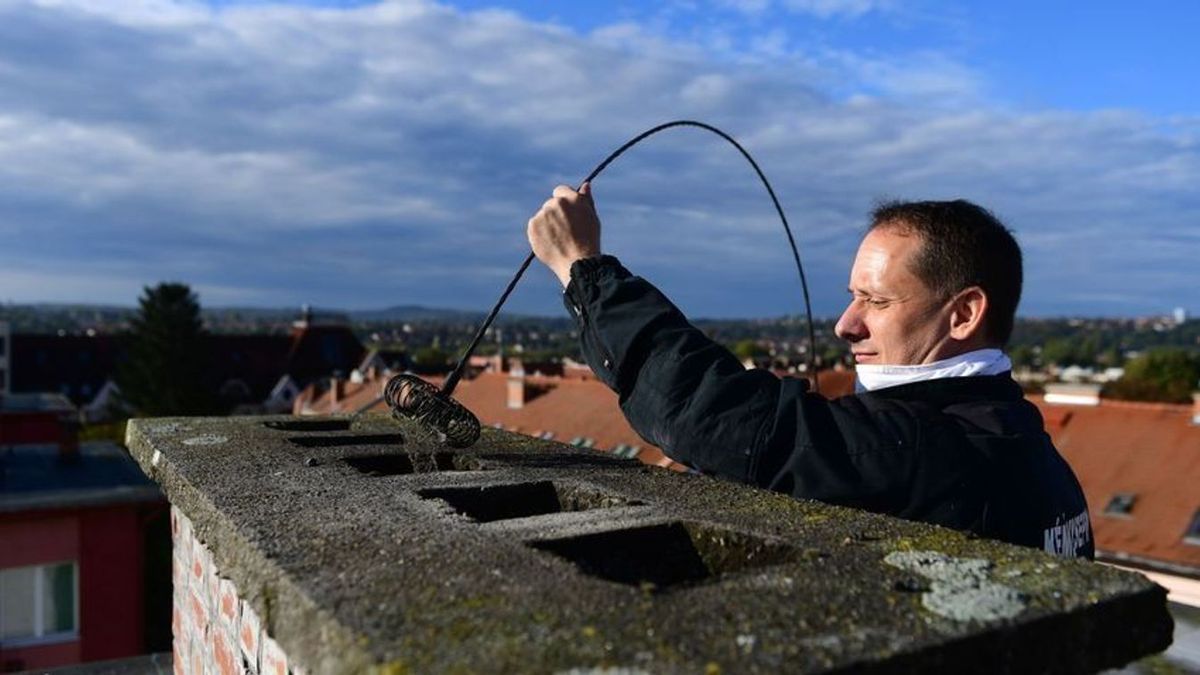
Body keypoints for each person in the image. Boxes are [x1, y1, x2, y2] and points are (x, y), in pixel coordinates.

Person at [526, 183, 1093, 559]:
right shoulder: (1036, 451)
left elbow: (712, 415)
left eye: (876, 301)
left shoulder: (935, 448)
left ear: (964, 314)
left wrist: (584, 268)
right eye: (853, 298)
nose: (847, 325)